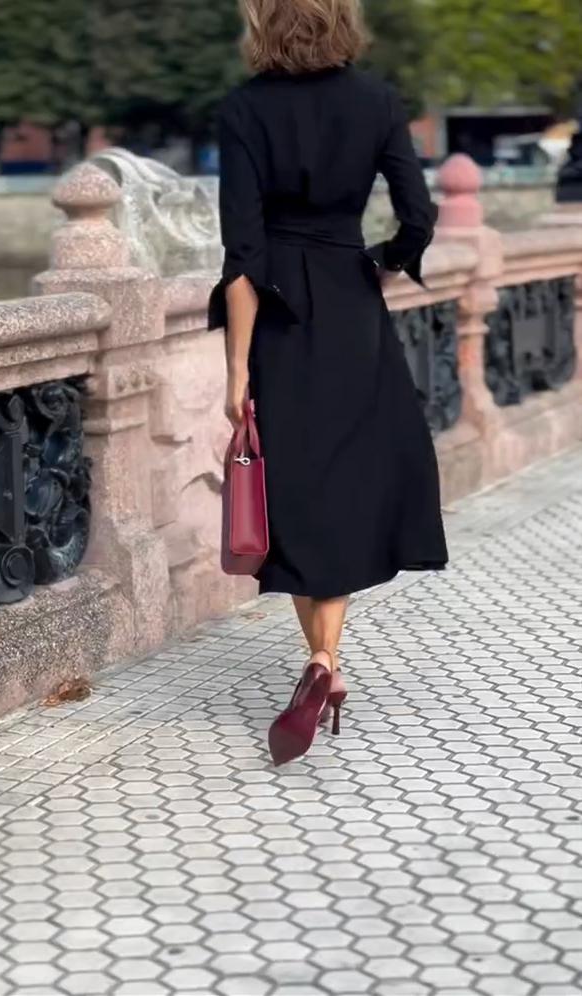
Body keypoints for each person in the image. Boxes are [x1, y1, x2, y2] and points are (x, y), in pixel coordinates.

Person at [208, 0, 449, 765]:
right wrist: (382, 258)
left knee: (300, 489)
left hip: (278, 315)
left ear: (261, 26)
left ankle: (321, 661)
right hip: (349, 303)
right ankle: (325, 662)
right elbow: (418, 214)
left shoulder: (241, 110)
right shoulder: (377, 101)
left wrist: (236, 369)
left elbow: (241, 254)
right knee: (341, 483)